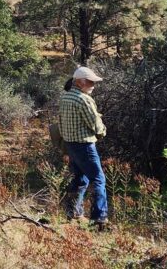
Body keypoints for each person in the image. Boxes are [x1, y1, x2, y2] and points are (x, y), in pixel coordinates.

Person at [59, 66, 109, 228]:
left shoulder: (65, 97)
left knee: (80, 178)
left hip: (71, 144)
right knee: (98, 180)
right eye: (90, 81)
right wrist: (102, 132)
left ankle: (73, 213)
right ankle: (99, 219)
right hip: (85, 145)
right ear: (80, 82)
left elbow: (60, 123)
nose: (93, 84)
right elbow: (95, 124)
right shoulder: (84, 99)